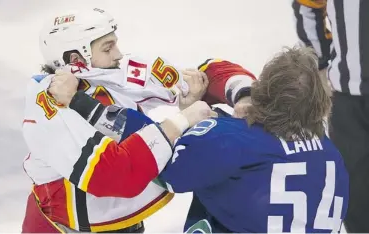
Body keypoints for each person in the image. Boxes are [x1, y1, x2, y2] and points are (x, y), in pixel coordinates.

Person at [21, 8, 255, 233]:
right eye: (108, 47)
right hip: (61, 228)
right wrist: (182, 120)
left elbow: (209, 73)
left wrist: (245, 96)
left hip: (121, 223)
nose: (118, 55)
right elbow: (111, 175)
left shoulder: (118, 71)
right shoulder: (47, 102)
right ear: (76, 58)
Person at [155, 47, 348, 233]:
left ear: (263, 92)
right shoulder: (332, 153)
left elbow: (168, 173)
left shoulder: (228, 139)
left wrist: (184, 120)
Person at [292, 0, 369, 232]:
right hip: (347, 96)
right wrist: (321, 62)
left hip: (347, 95)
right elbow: (307, 5)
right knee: (353, 190)